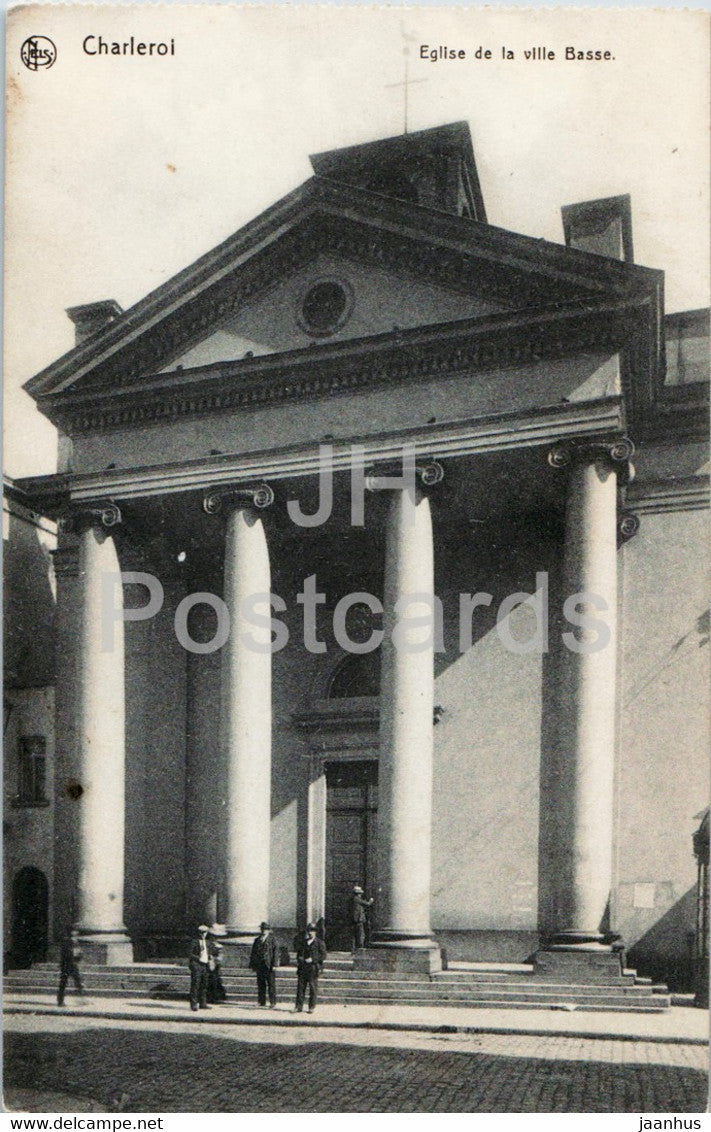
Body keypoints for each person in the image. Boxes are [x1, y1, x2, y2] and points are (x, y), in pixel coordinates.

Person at [294, 922, 326, 1013]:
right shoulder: (304, 942)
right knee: (300, 988)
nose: (311, 933)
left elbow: (323, 955)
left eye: (313, 931)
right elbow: (299, 954)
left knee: (312, 988)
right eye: (309, 931)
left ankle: (311, 1007)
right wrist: (301, 959)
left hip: (313, 968)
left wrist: (313, 960)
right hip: (303, 968)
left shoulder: (320, 942)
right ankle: (298, 1006)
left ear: (315, 932)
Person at [249, 921, 278, 1007]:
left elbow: (275, 952)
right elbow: (253, 953)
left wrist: (275, 964)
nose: (264, 931)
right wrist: (253, 965)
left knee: (271, 984)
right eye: (262, 929)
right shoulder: (257, 940)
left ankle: (272, 1002)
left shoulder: (273, 940)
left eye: (266, 929)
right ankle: (261, 1001)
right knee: (261, 984)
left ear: (269, 930)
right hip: (260, 965)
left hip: (269, 965)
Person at [188, 924, 213, 1011]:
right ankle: (194, 1004)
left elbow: (210, 952)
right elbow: (190, 954)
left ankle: (203, 1003)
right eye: (201, 932)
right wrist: (199, 958)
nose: (203, 934)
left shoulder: (208, 942)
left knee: (204, 984)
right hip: (197, 965)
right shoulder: (194, 942)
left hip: (205, 965)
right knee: (195, 984)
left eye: (204, 932)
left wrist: (210, 958)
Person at [57, 928, 84, 1006]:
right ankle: (60, 1001)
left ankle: (81, 1000)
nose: (77, 932)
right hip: (67, 965)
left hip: (73, 964)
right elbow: (66, 953)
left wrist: (79, 955)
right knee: (63, 983)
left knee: (78, 982)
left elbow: (78, 953)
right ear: (71, 932)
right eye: (75, 931)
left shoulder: (75, 942)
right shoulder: (66, 941)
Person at [351, 884, 374, 950]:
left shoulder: (353, 899)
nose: (361, 894)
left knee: (355, 934)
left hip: (354, 919)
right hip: (358, 919)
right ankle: (360, 946)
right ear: (358, 893)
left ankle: (354, 947)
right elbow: (367, 904)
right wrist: (371, 900)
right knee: (360, 933)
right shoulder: (357, 899)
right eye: (360, 893)